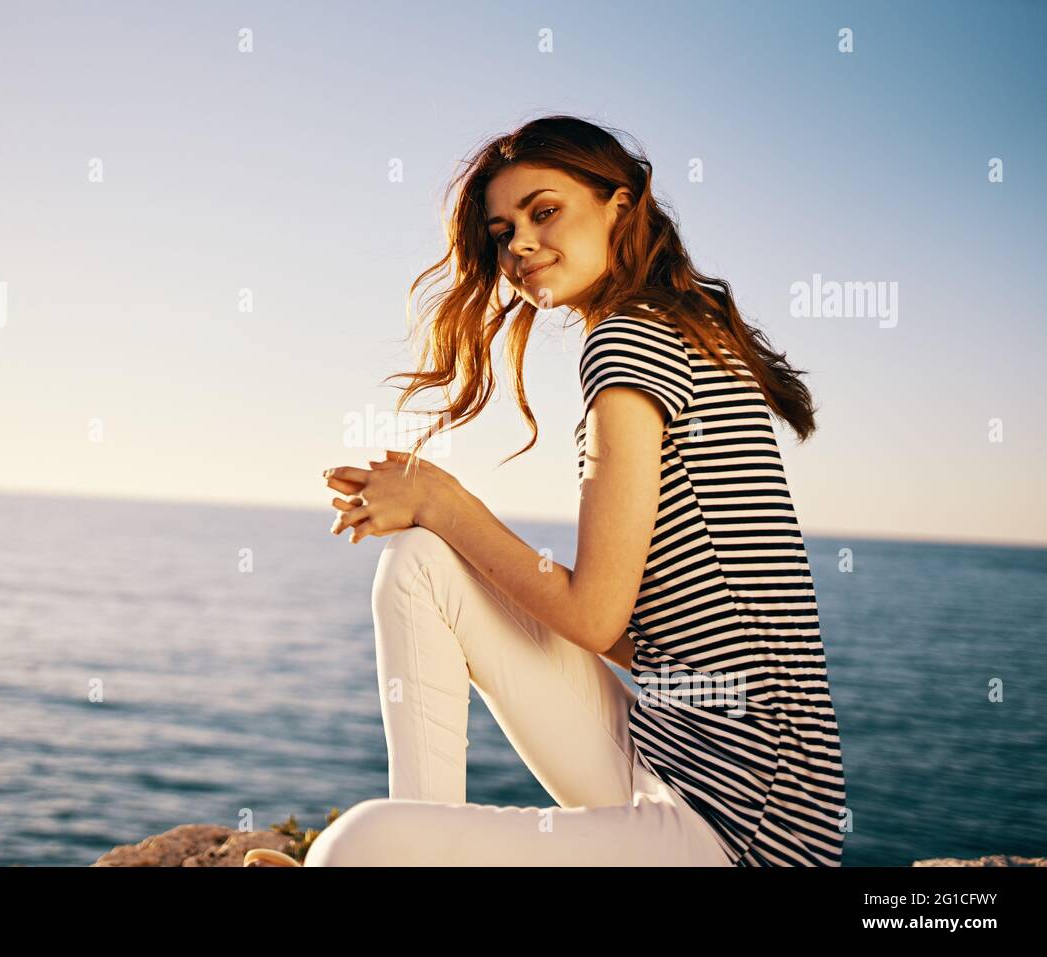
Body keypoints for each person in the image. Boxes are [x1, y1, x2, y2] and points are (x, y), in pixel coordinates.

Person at [298, 115, 846, 867]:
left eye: (543, 210)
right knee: (423, 561)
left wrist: (442, 499)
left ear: (622, 205)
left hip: (738, 828)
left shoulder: (630, 339)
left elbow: (594, 617)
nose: (518, 243)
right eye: (502, 231)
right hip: (669, 752)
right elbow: (656, 633)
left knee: (355, 844)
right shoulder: (682, 329)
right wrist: (437, 514)